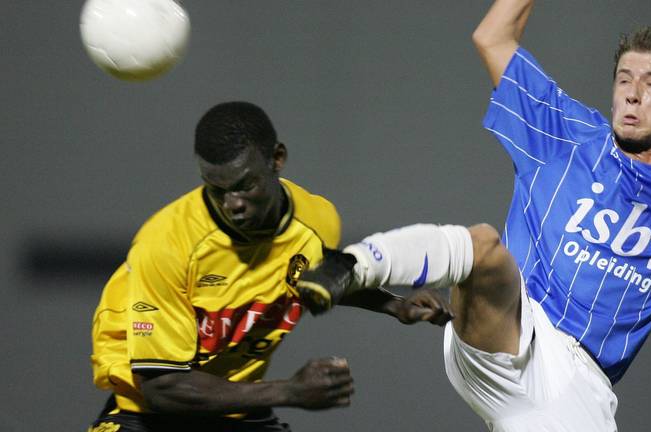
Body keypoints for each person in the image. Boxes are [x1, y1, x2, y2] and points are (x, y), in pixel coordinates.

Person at [296, 1, 651, 430]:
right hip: (510, 331)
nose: (631, 93)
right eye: (624, 79)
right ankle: (352, 265)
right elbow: (493, 37)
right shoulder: (566, 132)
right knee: (481, 246)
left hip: (579, 389)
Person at [88, 101, 453, 432]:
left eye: (244, 185)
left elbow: (305, 277)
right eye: (216, 189)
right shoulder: (166, 244)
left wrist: (393, 304)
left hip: (237, 411)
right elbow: (163, 387)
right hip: (147, 415)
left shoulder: (316, 221)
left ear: (277, 158)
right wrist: (289, 391)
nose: (232, 204)